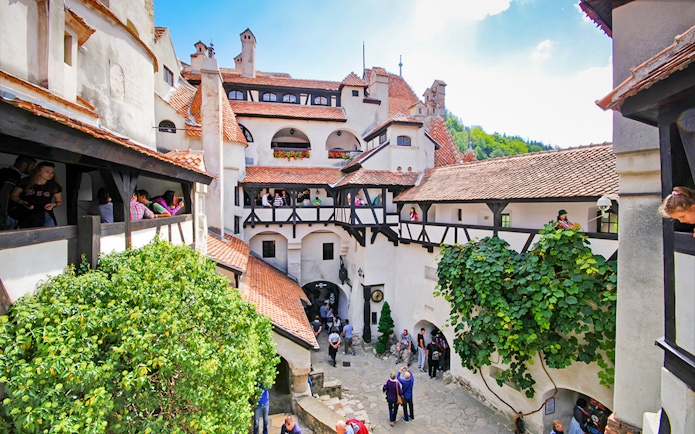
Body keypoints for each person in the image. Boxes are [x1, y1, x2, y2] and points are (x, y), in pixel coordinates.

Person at [10, 161, 62, 228]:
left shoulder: (54, 186)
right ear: (39, 171)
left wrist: (53, 204)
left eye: (52, 172)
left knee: (49, 235)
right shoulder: (25, 182)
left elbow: (59, 202)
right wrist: (23, 203)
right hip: (26, 214)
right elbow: (13, 195)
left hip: (45, 214)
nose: (50, 174)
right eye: (47, 171)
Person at [0, 155, 36, 230]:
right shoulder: (13, 175)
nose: (32, 169)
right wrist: (3, 214)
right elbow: (5, 192)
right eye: (32, 166)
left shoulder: (3, 172)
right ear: (24, 165)